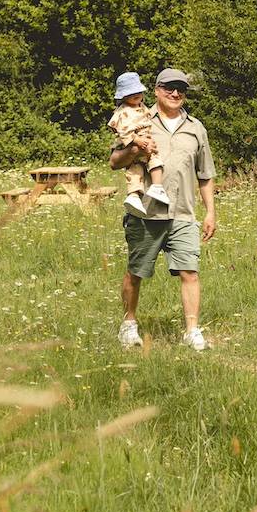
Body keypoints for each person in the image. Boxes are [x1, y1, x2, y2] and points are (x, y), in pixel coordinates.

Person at [110, 68, 217, 352]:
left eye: (181, 88)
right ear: (156, 90)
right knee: (136, 271)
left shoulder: (196, 128)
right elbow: (114, 161)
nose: (175, 93)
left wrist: (210, 212)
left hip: (183, 213)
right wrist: (135, 150)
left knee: (189, 272)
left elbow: (205, 174)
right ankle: (128, 324)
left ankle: (192, 331)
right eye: (169, 87)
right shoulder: (139, 118)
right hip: (145, 213)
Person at [108, 71, 171, 216]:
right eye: (131, 93)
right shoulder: (122, 112)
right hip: (133, 142)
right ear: (123, 96)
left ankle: (156, 186)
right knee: (135, 169)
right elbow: (122, 131)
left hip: (146, 140)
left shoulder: (142, 107)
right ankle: (134, 194)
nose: (136, 95)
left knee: (154, 161)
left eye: (138, 92)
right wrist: (136, 141)